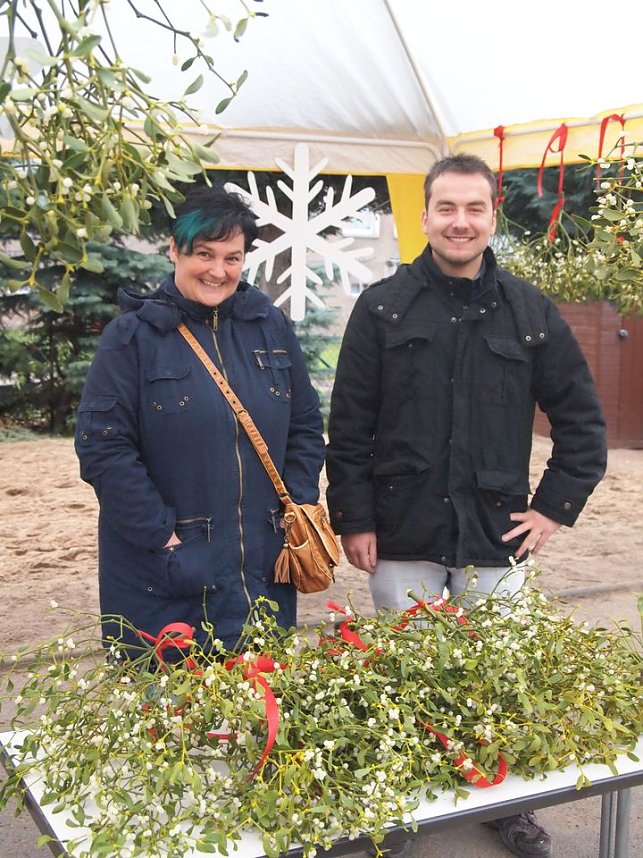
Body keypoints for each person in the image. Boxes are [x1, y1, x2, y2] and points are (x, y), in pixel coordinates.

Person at [326, 154, 607, 858]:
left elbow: (581, 422)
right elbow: (350, 426)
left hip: (495, 535)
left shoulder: (530, 312)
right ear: (424, 216)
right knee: (405, 681)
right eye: (446, 208)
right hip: (402, 533)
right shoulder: (383, 307)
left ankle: (508, 806)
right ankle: (403, 808)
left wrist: (552, 508)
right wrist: (353, 519)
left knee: (499, 685)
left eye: (474, 208)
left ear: (491, 217)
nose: (460, 222)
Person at [75, 185, 324, 656]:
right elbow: (104, 449)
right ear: (174, 249)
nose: (218, 270)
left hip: (263, 570)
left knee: (261, 697)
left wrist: (293, 508)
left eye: (233, 258)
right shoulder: (131, 338)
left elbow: (306, 427)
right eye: (204, 254)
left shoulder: (270, 328)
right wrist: (164, 538)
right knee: (169, 699)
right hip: (165, 577)